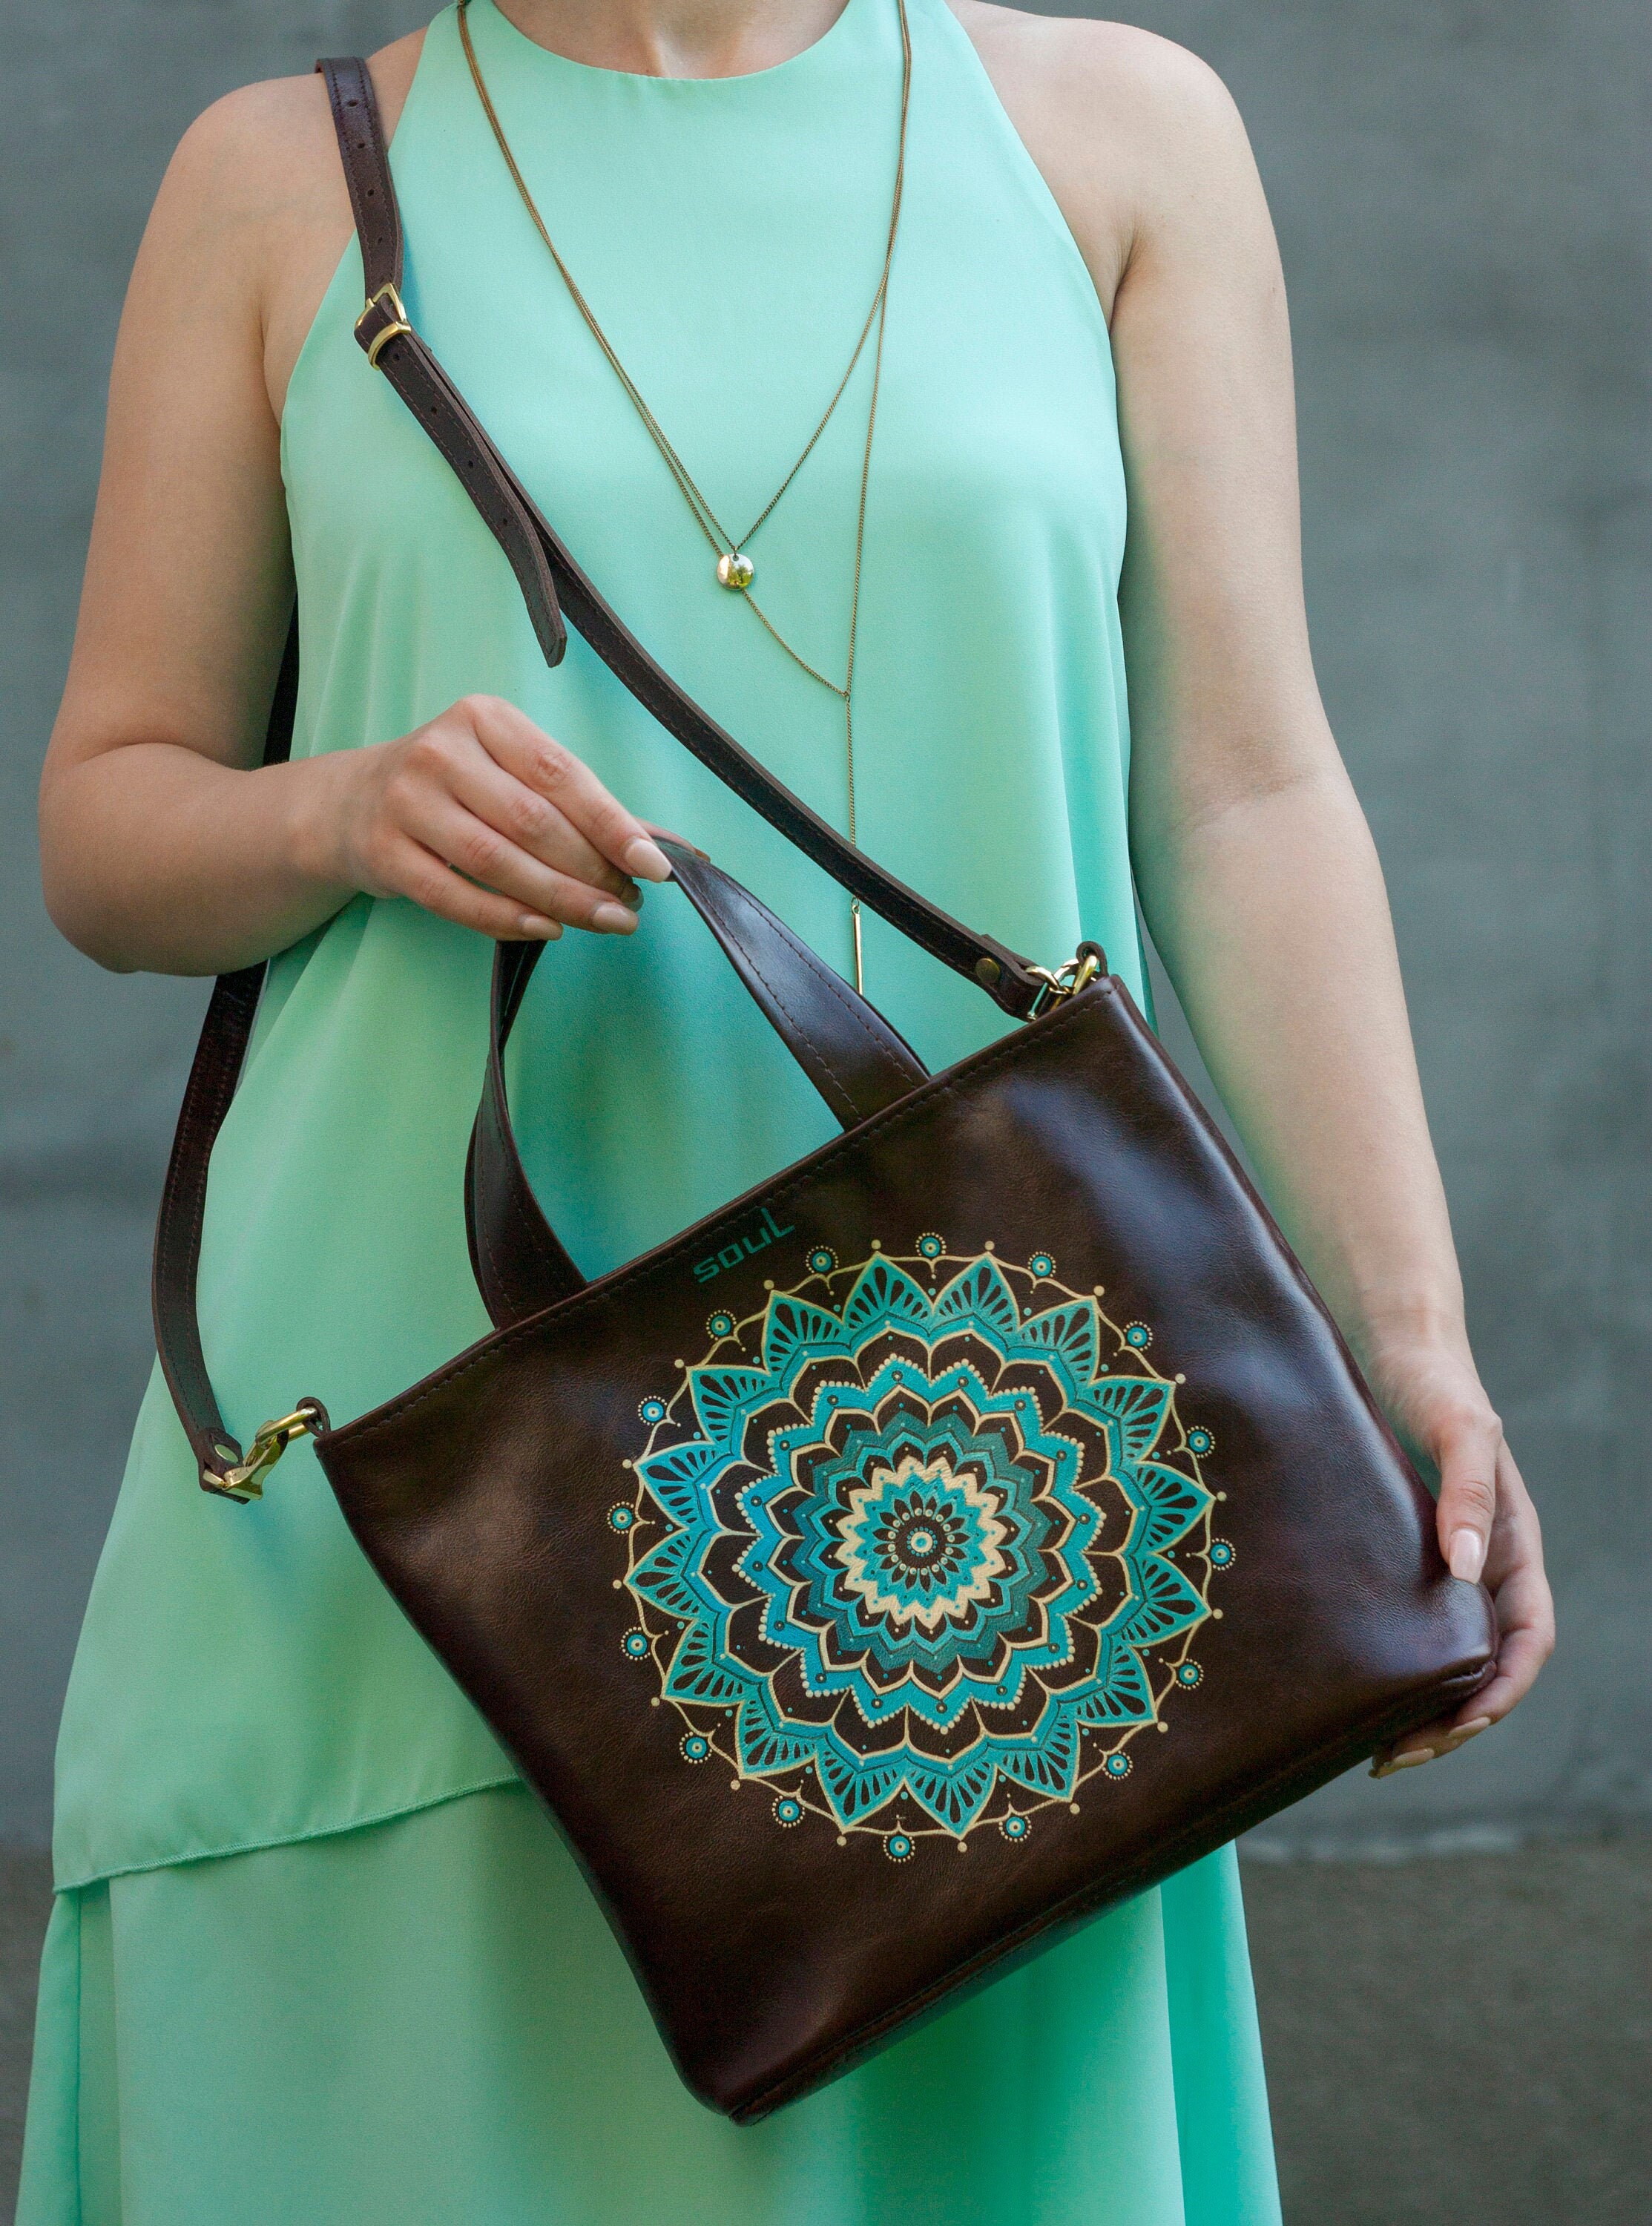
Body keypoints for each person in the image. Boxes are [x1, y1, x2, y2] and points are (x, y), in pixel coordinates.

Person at [24, 0, 1553, 2217]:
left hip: (992, 1517)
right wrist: (341, 807)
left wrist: (1404, 1341)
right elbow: (106, 827)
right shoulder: (280, 175)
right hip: (420, 1465)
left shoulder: (1117, 137)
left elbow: (1245, 788)